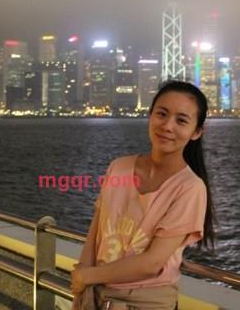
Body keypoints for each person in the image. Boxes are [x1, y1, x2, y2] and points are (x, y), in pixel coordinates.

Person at [71, 80, 216, 310]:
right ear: (150, 115)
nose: (167, 126)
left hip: (145, 301)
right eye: (162, 114)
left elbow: (152, 263)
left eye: (181, 120)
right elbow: (96, 231)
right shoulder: (118, 167)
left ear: (197, 132)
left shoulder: (190, 187)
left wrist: (87, 276)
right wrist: (83, 278)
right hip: (96, 294)